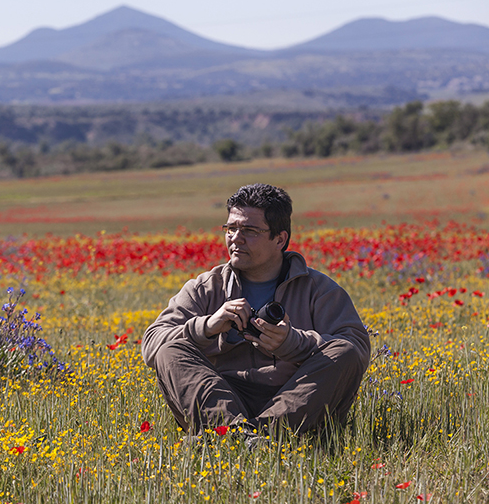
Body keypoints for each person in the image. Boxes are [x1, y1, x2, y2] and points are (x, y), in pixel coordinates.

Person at [141, 183, 370, 437]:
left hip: (294, 397)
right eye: (231, 229)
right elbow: (152, 343)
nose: (235, 238)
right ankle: (242, 435)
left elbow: (356, 349)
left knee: (345, 352)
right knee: (169, 350)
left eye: (249, 230)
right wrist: (207, 327)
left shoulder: (317, 289)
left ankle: (249, 436)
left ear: (280, 239)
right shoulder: (207, 287)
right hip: (224, 398)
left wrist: (292, 342)